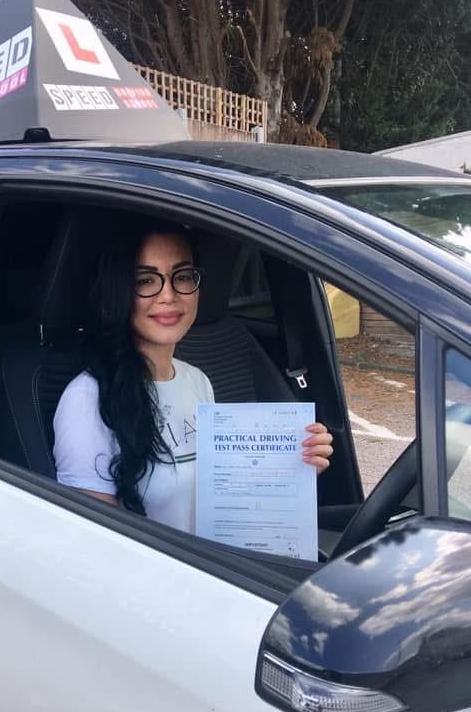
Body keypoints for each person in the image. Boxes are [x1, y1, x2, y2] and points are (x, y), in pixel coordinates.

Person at [53, 222, 333, 534]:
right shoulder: (86, 398)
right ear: (120, 290)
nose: (168, 295)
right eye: (145, 280)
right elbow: (96, 541)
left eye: (183, 276)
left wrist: (291, 472)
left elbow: (221, 506)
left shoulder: (198, 380)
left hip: (213, 558)